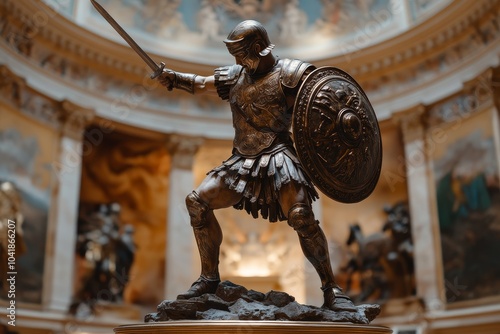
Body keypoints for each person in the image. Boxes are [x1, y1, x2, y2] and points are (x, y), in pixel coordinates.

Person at [158, 20, 356, 311]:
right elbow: (201, 83)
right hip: (242, 159)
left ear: (258, 48)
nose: (238, 61)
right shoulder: (234, 76)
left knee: (301, 217)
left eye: (241, 54)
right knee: (197, 202)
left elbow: (326, 106)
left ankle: (331, 288)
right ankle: (209, 278)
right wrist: (173, 78)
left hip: (279, 157)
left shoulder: (292, 74)